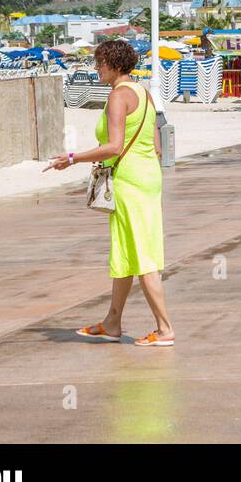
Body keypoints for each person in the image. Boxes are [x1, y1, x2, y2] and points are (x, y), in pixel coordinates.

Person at [45, 38, 173, 347]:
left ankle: (165, 329)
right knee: (127, 251)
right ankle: (112, 322)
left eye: (99, 62)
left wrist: (72, 158)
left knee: (141, 253)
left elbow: (114, 145)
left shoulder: (118, 97)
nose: (95, 68)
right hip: (146, 177)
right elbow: (156, 146)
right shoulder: (144, 94)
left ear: (114, 65)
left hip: (130, 182)